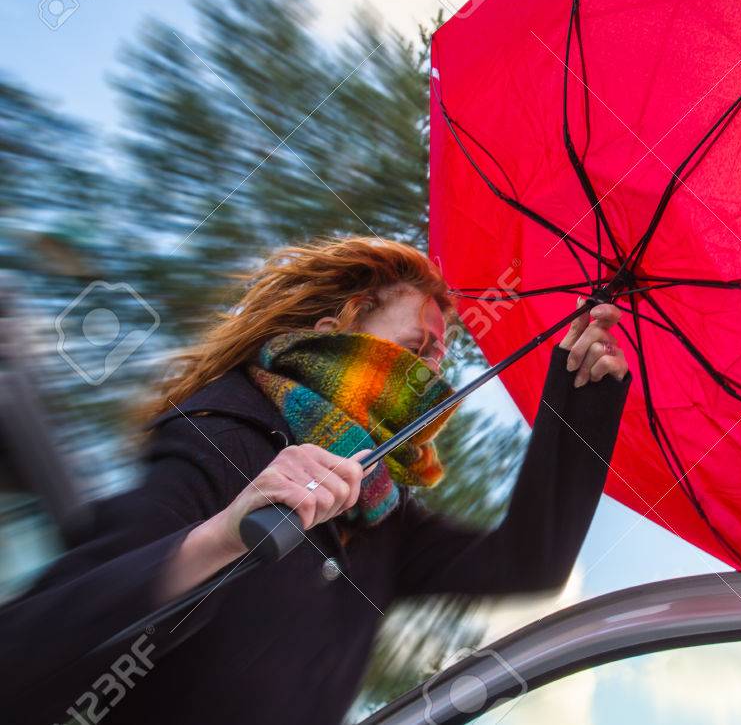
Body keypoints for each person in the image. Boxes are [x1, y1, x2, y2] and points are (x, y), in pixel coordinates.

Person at [0, 237, 631, 724]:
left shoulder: (385, 515)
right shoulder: (220, 435)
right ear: (339, 325)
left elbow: (529, 564)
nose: (435, 371)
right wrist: (225, 535)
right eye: (418, 347)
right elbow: (34, 645)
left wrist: (580, 399)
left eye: (441, 357)